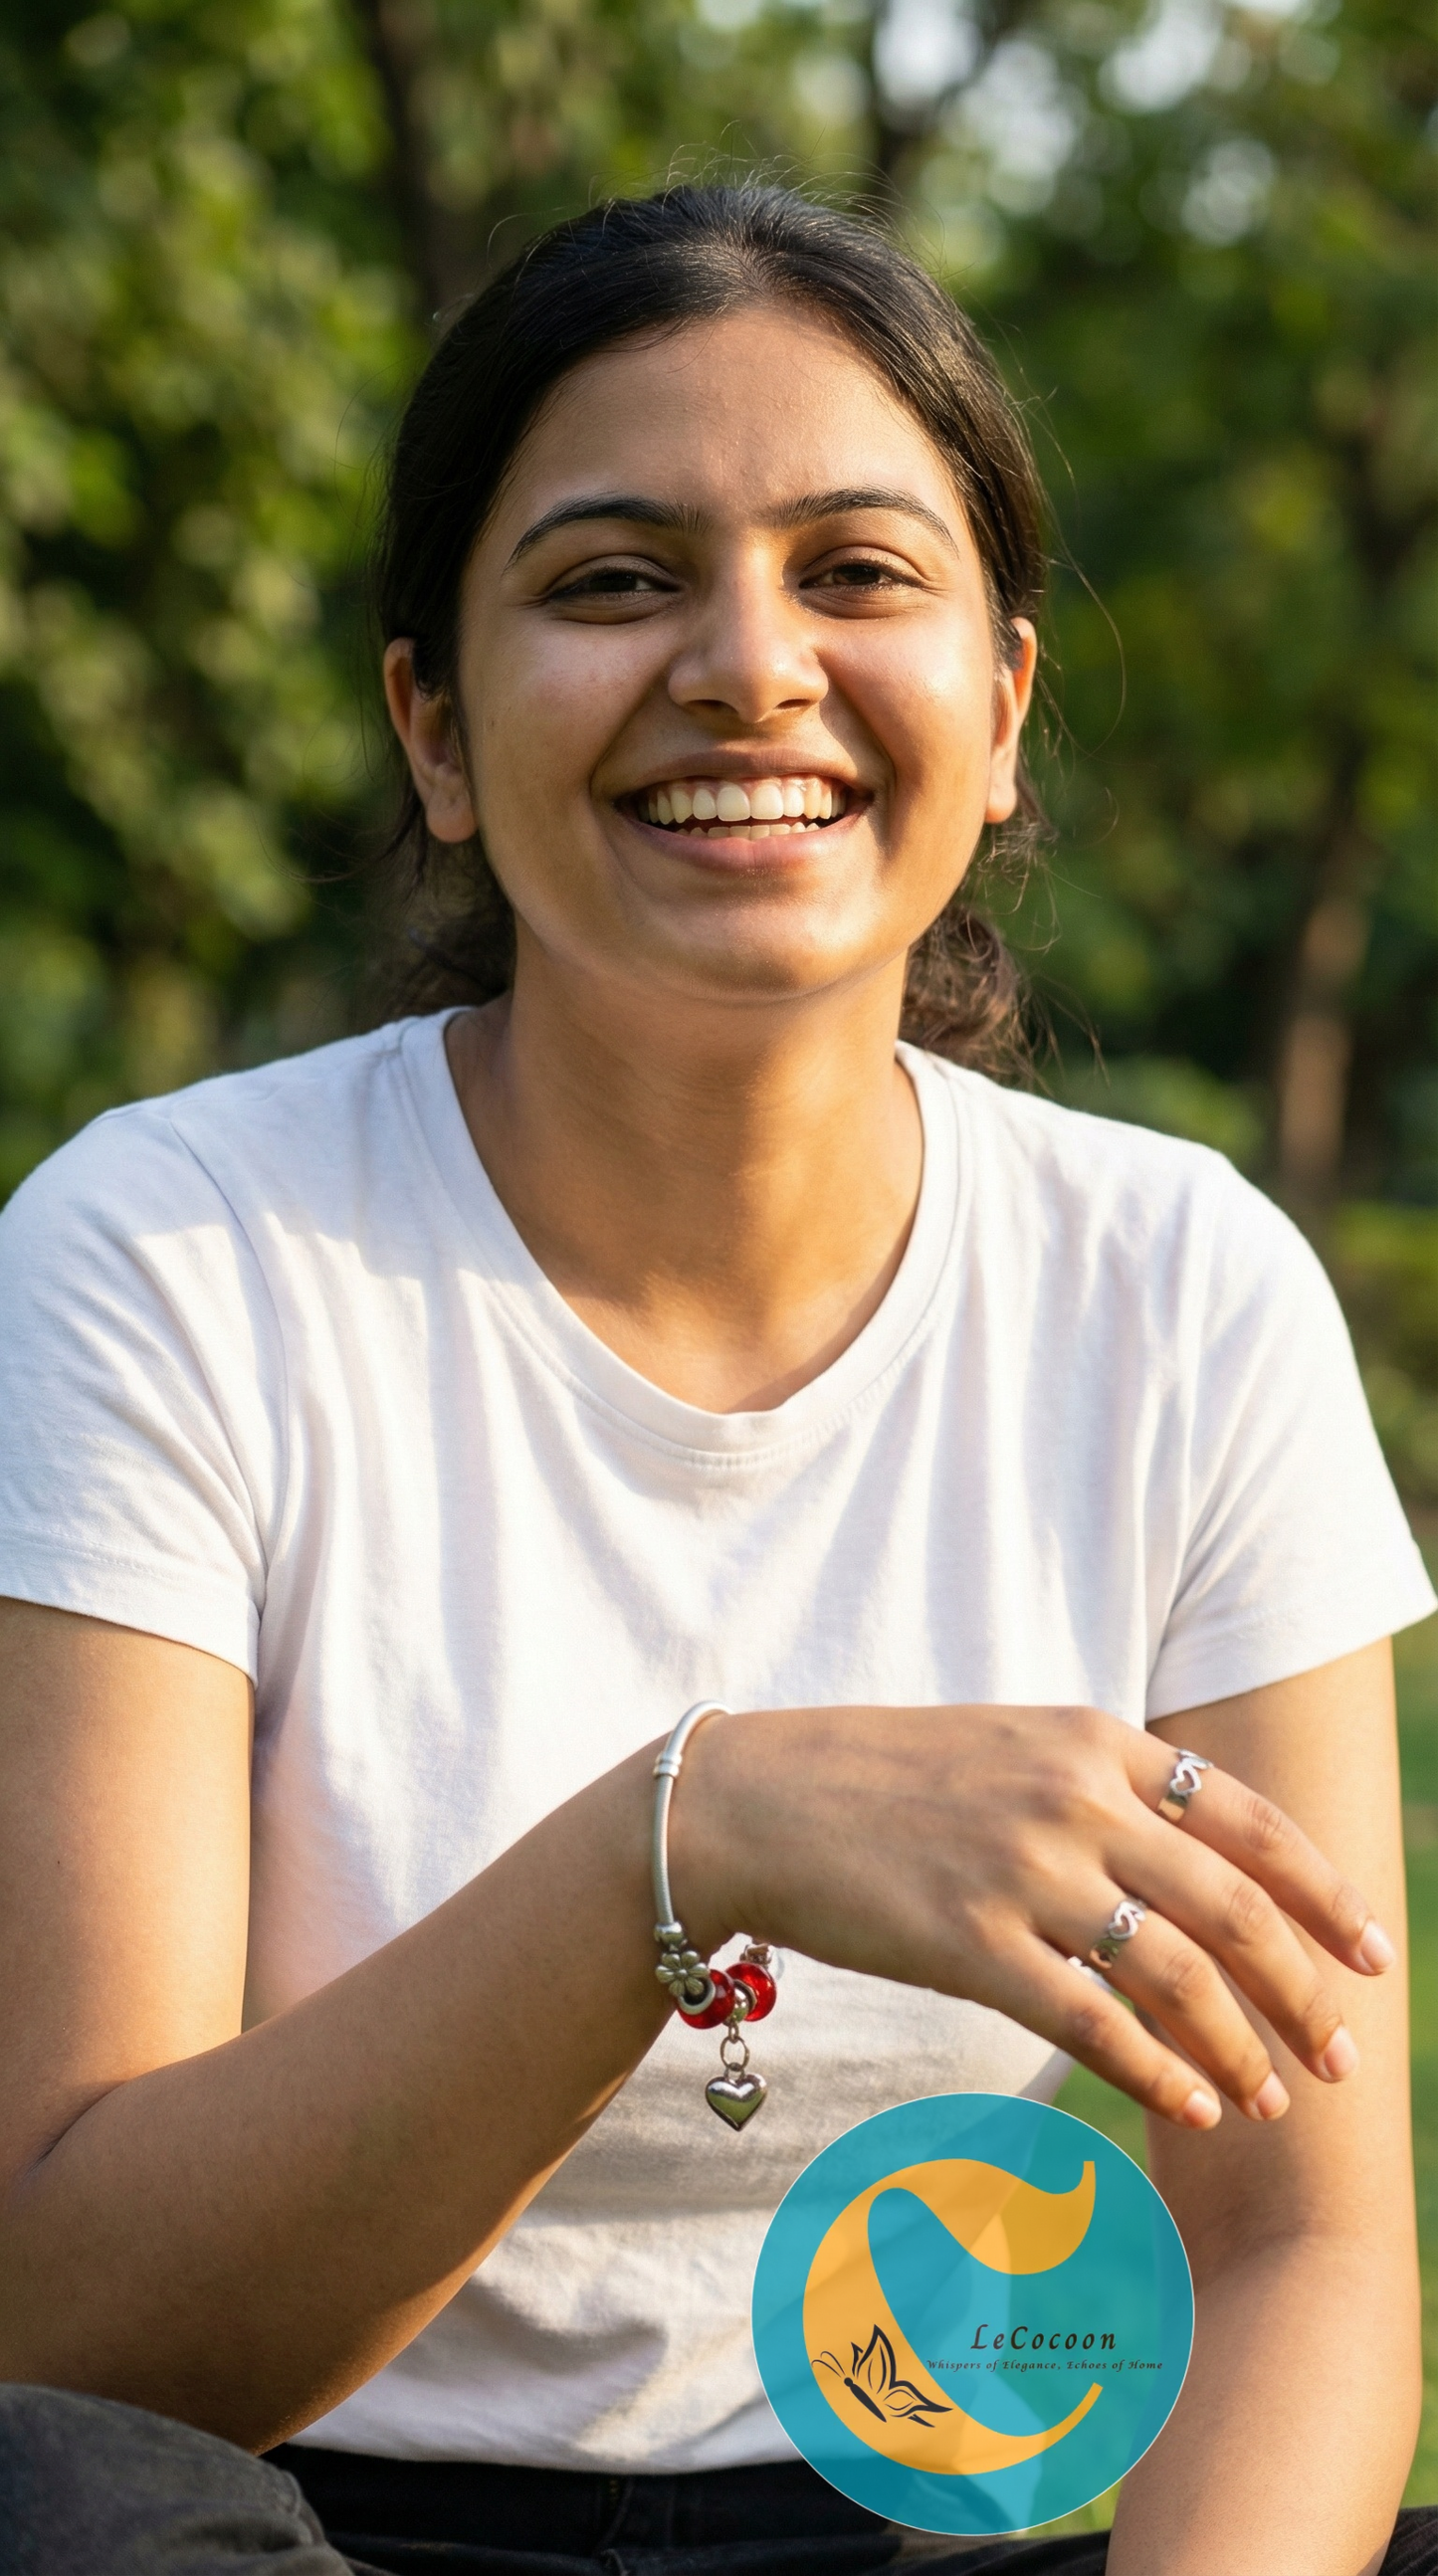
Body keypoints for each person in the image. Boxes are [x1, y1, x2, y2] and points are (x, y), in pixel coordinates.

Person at [0, 185, 1432, 2576]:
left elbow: (1294, 2237)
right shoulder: (167, 1258)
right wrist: (684, 1834)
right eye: (610, 579)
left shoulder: (1182, 1288)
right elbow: (70, 2331)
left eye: (855, 574)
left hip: (926, 2530)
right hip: (288, 2522)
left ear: (994, 709)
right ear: (434, 732)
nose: (747, 667)